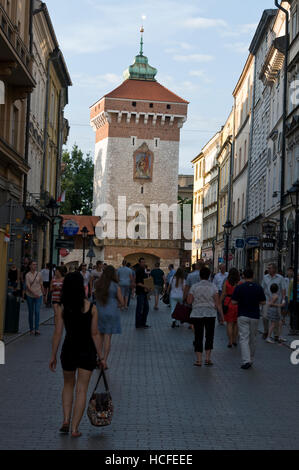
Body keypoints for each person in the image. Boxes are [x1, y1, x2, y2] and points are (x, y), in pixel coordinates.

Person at [49, 272, 102, 437]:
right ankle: (74, 429)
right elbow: (95, 334)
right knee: (81, 390)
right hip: (87, 351)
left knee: (68, 385)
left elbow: (57, 333)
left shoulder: (62, 308)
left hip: (69, 350)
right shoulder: (92, 308)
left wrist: (53, 355)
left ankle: (65, 419)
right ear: (82, 287)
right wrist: (101, 356)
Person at [231, 268, 266, 370]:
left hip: (242, 315)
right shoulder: (258, 287)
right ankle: (251, 358)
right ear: (253, 276)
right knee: (253, 338)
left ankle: (246, 360)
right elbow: (263, 302)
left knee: (243, 338)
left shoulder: (239, 287)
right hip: (254, 316)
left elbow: (233, 302)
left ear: (243, 276)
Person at [187, 266, 220, 366]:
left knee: (198, 336)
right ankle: (208, 359)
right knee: (209, 335)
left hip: (197, 313)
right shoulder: (213, 286)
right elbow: (217, 302)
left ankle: (199, 360)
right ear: (209, 275)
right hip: (210, 313)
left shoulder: (194, 287)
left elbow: (189, 301)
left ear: (200, 276)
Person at [95, 265, 124, 370]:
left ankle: (99, 358)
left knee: (99, 336)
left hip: (99, 312)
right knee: (108, 337)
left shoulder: (98, 284)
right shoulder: (116, 286)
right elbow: (122, 302)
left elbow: (95, 298)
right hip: (112, 312)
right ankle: (105, 361)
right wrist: (118, 305)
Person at [261, 263, 286, 341]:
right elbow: (262, 288)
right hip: (266, 300)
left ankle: (276, 334)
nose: (268, 269)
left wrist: (283, 299)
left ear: (274, 269)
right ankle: (266, 331)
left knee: (276, 318)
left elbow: (283, 289)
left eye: (270, 268)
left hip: (277, 301)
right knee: (265, 317)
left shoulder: (280, 278)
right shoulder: (265, 277)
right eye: (268, 268)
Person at [220, 268, 240, 348]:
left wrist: (219, 302)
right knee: (236, 323)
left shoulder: (226, 282)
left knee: (229, 323)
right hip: (238, 303)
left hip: (228, 302)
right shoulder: (239, 282)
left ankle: (230, 341)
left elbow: (224, 293)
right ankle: (235, 339)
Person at [25, 261, 44, 336]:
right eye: (33, 264)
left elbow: (41, 284)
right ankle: (31, 329)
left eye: (36, 264)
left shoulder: (39, 274)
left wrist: (44, 294)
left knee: (37, 311)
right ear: (30, 266)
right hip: (30, 295)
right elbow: (28, 286)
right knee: (31, 312)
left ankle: (37, 329)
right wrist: (34, 293)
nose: (35, 266)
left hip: (39, 295)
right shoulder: (27, 275)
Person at [135, 258, 150, 329]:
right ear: (139, 263)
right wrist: (146, 286)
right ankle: (139, 324)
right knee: (140, 308)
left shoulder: (143, 270)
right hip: (140, 292)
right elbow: (137, 282)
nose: (143, 263)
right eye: (142, 262)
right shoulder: (138, 270)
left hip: (144, 292)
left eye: (144, 262)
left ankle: (142, 323)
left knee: (145, 307)